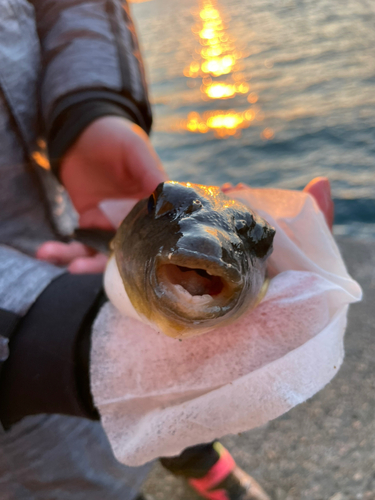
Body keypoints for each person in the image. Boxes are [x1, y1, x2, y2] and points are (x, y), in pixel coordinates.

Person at [0, 1, 334, 499]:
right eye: (161, 206)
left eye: (254, 237)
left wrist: (90, 109)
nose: (203, 254)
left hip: (68, 214)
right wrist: (43, 328)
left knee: (177, 410)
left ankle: (206, 465)